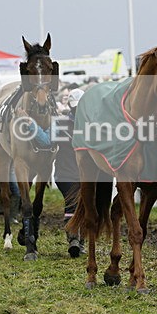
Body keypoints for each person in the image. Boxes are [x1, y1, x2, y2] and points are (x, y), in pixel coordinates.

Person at [54, 88, 85, 257]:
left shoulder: (61, 123)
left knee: (75, 205)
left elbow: (47, 141)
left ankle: (76, 239)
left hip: (66, 173)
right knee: (77, 204)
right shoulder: (90, 124)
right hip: (70, 173)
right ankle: (76, 240)